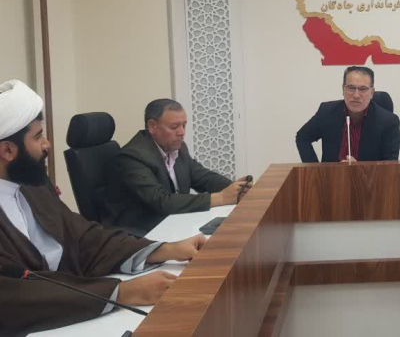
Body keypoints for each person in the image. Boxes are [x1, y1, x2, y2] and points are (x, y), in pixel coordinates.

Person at [0, 80, 207, 335]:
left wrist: (163, 250)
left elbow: (84, 236)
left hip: (77, 310)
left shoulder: (34, 186)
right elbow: (12, 297)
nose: (47, 144)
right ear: (8, 150)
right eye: (38, 136)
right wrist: (120, 292)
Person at [105, 99, 251, 235]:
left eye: (184, 125)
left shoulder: (177, 147)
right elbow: (161, 201)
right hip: (139, 232)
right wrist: (220, 198)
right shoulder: (132, 157)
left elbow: (203, 177)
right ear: (152, 127)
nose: (182, 132)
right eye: (174, 127)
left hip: (172, 222)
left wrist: (238, 189)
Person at [296, 66, 400, 163]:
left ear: (372, 93)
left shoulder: (389, 122)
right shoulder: (327, 112)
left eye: (363, 89)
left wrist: (360, 170)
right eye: (351, 88)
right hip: (332, 176)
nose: (356, 95)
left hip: (368, 176)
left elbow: (390, 165)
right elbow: (302, 137)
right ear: (343, 89)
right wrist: (315, 169)